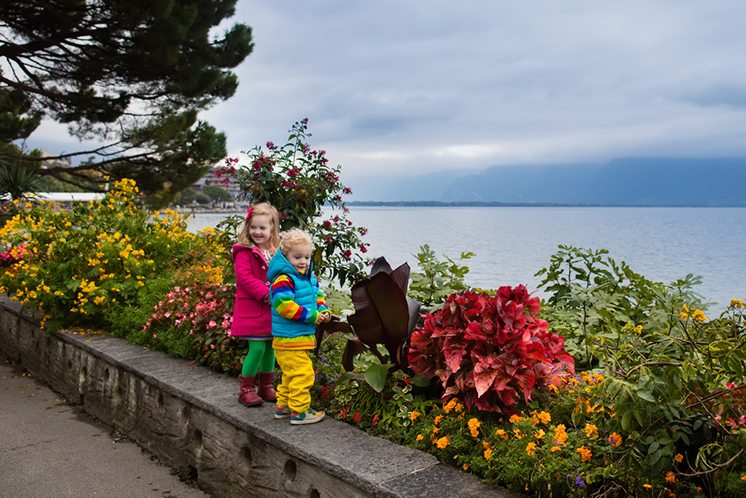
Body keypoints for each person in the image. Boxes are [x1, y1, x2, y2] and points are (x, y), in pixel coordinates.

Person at [268, 228, 331, 425]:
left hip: (298, 338)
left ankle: (284, 406)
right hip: (288, 338)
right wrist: (312, 316)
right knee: (303, 374)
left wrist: (323, 309)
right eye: (297, 257)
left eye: (306, 257)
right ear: (286, 257)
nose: (303, 261)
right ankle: (300, 411)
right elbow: (285, 307)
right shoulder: (283, 279)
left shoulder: (307, 277)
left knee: (291, 375)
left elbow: (316, 297)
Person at [230, 202, 280, 407]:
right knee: (257, 348)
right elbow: (244, 278)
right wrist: (266, 293)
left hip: (273, 308)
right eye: (253, 227)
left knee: (271, 348)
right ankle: (246, 389)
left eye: (262, 228)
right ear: (247, 227)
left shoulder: (277, 250)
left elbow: (285, 273)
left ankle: (266, 386)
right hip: (254, 307)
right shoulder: (244, 251)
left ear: (272, 229)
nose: (257, 232)